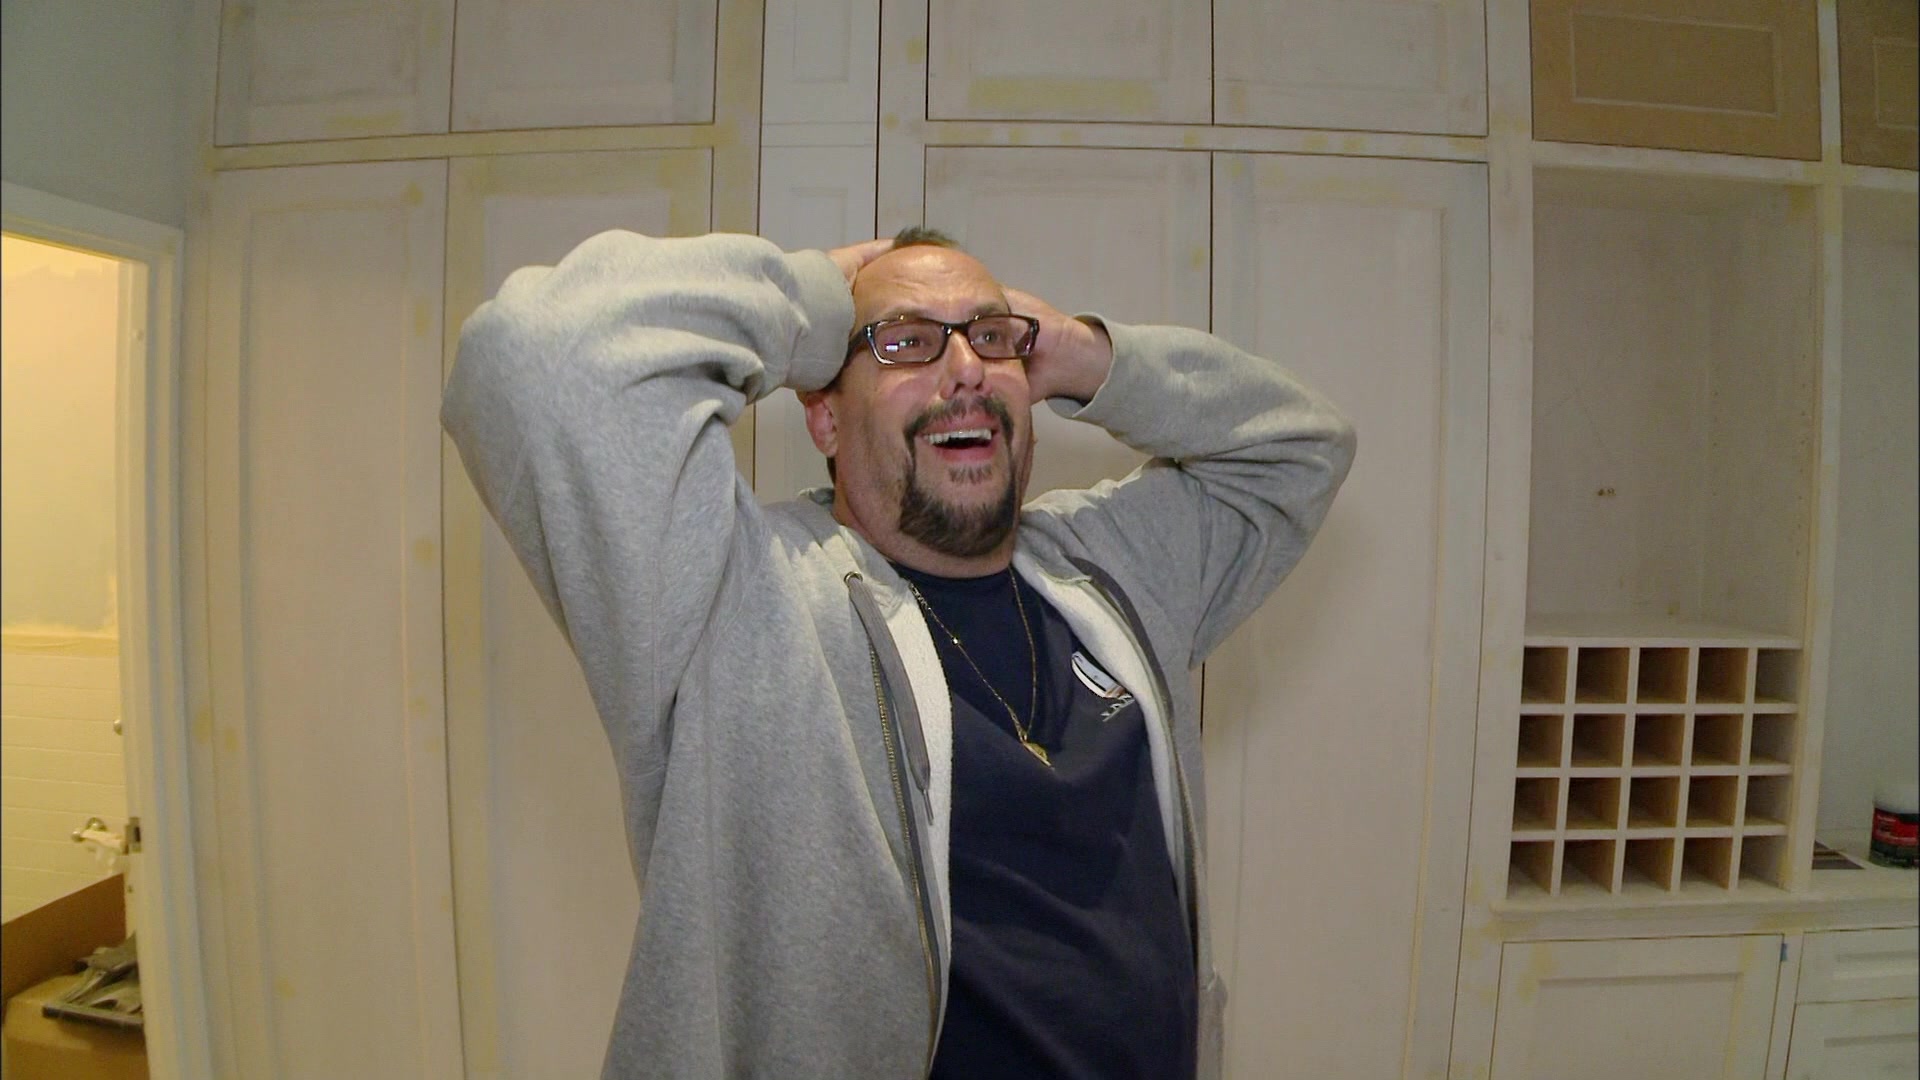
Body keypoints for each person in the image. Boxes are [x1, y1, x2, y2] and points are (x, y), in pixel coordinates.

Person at [442, 225, 1356, 1079]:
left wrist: (1084, 355)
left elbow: (1303, 447)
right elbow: (537, 355)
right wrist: (809, 299)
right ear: (825, 418)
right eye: (905, 343)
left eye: (991, 338)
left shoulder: (1110, 566)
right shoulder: (734, 598)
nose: (965, 370)